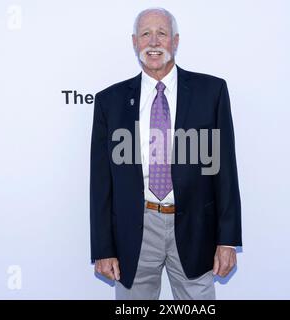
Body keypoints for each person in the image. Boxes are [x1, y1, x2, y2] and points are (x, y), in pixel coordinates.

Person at [90, 7, 242, 300]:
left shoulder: (211, 92)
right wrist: (103, 248)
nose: (154, 41)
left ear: (175, 41)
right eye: (146, 34)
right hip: (135, 230)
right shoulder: (110, 101)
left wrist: (227, 240)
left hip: (196, 228)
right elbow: (101, 183)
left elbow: (224, 171)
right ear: (135, 42)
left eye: (162, 33)